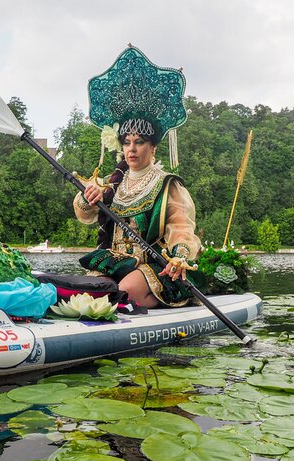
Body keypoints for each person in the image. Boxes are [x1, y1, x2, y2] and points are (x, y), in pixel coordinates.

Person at [74, 46, 204, 308]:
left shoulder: (167, 184)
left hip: (154, 267)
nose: (132, 149)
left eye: (140, 142)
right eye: (127, 142)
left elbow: (181, 227)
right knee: (87, 293)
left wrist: (179, 256)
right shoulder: (112, 183)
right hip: (115, 262)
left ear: (153, 147)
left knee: (125, 291)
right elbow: (84, 213)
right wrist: (90, 197)